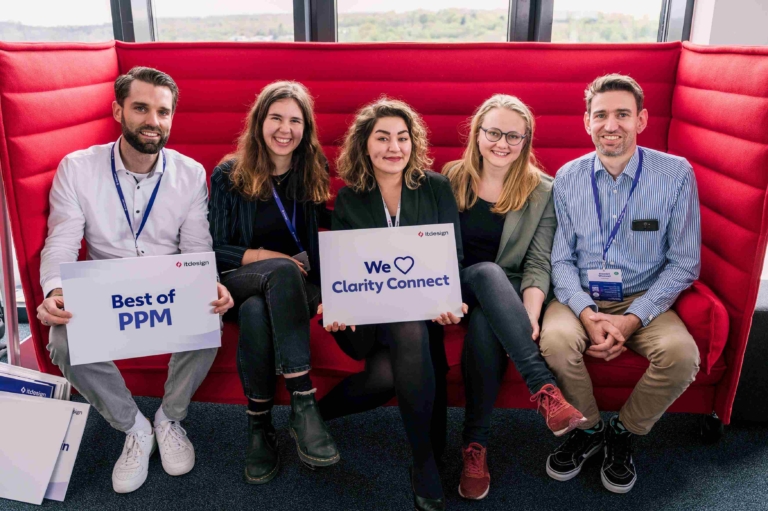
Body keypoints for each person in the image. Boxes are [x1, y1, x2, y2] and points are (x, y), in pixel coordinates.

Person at [36, 67, 235, 494]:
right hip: (105, 290)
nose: (153, 121)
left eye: (163, 112)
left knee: (209, 318)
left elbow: (197, 247)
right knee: (62, 339)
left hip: (165, 286)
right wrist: (54, 290)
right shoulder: (78, 168)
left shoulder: (190, 173)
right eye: (141, 108)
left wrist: (209, 283)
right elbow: (62, 241)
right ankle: (134, 426)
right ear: (117, 110)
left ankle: (170, 418)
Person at [540, 74, 701, 493]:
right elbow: (560, 258)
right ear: (586, 122)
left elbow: (685, 263)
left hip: (645, 297)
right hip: (580, 297)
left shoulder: (676, 174)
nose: (611, 125)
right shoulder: (568, 176)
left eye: (622, 114)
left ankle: (624, 431)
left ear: (641, 120)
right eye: (601, 115)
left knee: (682, 356)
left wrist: (633, 318)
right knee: (555, 341)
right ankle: (590, 428)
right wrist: (586, 313)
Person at [319, 98, 465, 511]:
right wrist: (335, 306)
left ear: (413, 143)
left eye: (402, 137)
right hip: (364, 322)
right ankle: (427, 462)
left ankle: (421, 463)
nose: (394, 147)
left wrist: (445, 298)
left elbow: (450, 254)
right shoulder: (350, 198)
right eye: (382, 138)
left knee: (392, 364)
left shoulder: (435, 187)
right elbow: (343, 269)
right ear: (365, 145)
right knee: (406, 338)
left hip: (422, 311)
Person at [442, 94, 586, 500]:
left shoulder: (543, 190)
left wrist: (529, 315)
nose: (501, 143)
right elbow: (430, 249)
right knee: (487, 271)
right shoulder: (450, 177)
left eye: (513, 136)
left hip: (506, 297)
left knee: (489, 324)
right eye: (493, 132)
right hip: (457, 286)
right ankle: (543, 387)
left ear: (526, 140)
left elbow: (539, 263)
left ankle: (476, 448)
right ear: (477, 133)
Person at [209, 81, 339, 484]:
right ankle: (303, 402)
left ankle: (259, 426)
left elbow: (322, 239)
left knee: (254, 312)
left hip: (294, 286)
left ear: (306, 128)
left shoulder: (313, 170)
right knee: (266, 283)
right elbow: (215, 248)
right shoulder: (229, 173)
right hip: (240, 278)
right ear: (259, 122)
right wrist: (268, 257)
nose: (285, 129)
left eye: (295, 120)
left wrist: (338, 288)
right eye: (276, 118)